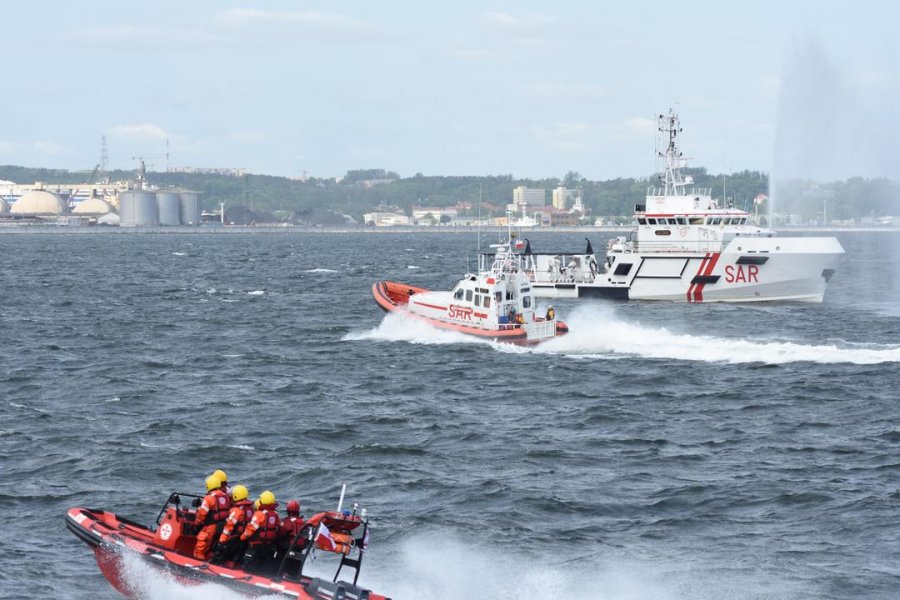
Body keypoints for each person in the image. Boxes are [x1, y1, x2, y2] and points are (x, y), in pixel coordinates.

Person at [211, 484, 254, 565]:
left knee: (218, 553)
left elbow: (228, 527)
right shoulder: (250, 510)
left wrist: (221, 542)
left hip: (232, 540)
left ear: (235, 497)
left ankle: (215, 565)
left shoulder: (236, 511)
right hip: (242, 540)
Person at [240, 490, 282, 572]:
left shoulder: (259, 514)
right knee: (264, 564)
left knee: (248, 564)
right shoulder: (276, 514)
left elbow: (250, 529)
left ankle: (248, 572)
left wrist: (242, 538)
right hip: (268, 546)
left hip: (256, 546)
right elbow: (278, 528)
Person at [193, 473, 232, 559]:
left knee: (201, 546)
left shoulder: (209, 498)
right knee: (212, 545)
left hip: (211, 526)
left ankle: (198, 562)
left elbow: (202, 514)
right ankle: (211, 560)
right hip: (222, 525)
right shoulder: (225, 496)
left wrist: (196, 525)